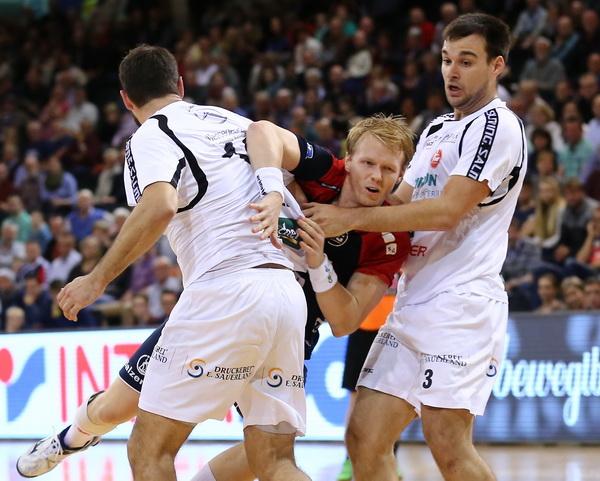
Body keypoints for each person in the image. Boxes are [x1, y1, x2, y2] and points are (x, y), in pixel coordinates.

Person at [16, 112, 413, 480]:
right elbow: (260, 131)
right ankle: (70, 438)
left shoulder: (391, 237)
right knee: (116, 409)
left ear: (400, 175)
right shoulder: (324, 170)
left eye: (388, 169)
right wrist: (275, 190)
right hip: (235, 295)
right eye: (368, 163)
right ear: (350, 159)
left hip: (293, 323)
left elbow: (345, 322)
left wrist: (318, 263)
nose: (376, 176)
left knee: (257, 453)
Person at [38, 45, 310, 481]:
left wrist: (97, 279)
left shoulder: (148, 136)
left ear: (127, 100)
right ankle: (71, 435)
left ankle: (74, 435)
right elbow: (301, 185)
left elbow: (160, 203)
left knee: (149, 448)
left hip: (226, 290)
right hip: (287, 291)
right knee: (275, 460)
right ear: (180, 85)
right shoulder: (235, 122)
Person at [301, 14, 526, 481]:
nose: (452, 72)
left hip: (461, 306)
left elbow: (447, 211)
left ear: (496, 65)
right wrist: (323, 196)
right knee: (363, 438)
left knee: (448, 444)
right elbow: (396, 200)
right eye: (447, 60)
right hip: (411, 303)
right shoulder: (437, 128)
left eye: (467, 61)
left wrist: (351, 217)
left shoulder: (498, 126)